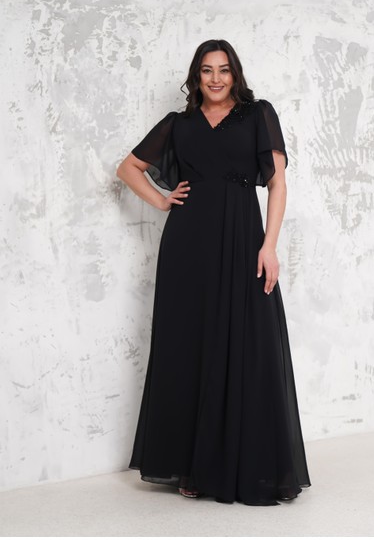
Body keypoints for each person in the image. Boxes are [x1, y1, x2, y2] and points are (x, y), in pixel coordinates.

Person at [116, 39, 311, 506]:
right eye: (207, 70)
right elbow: (128, 168)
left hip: (244, 241)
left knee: (249, 342)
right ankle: (193, 466)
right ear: (196, 77)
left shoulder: (258, 115)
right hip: (187, 246)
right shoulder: (179, 124)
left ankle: (247, 462)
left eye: (224, 69)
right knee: (190, 346)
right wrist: (162, 199)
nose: (216, 78)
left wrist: (269, 246)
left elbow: (278, 183)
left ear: (235, 74)